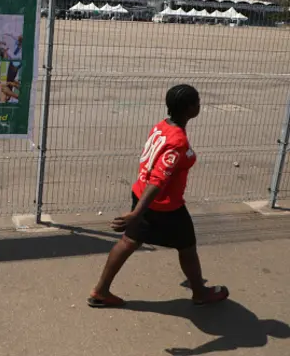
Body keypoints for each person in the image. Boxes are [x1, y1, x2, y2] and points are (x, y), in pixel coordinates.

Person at [88, 84, 229, 308]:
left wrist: (138, 210)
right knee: (187, 247)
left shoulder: (162, 126)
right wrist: (136, 213)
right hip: (163, 205)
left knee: (128, 242)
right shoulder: (177, 141)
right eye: (197, 103)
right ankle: (200, 292)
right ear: (189, 108)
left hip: (141, 195)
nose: (200, 105)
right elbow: (158, 180)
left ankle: (101, 291)